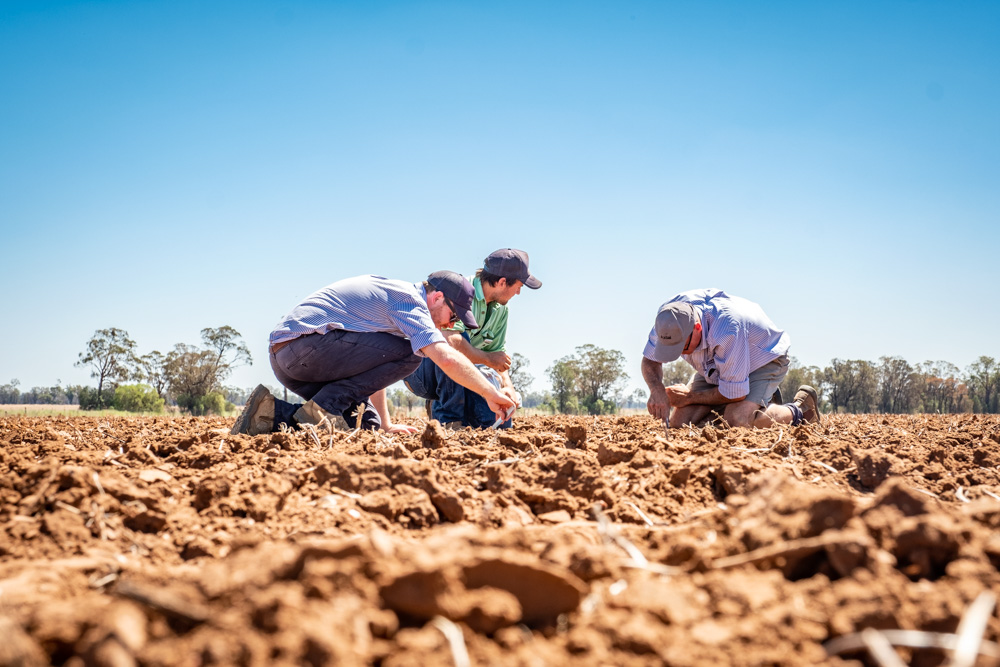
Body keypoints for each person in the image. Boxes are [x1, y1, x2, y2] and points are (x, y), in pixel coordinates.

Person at [231, 271, 516, 436]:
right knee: (413, 354)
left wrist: (386, 424)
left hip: (297, 359)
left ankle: (269, 412)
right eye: (453, 316)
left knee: (364, 425)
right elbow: (447, 357)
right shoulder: (408, 301)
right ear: (437, 297)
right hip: (301, 348)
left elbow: (375, 367)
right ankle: (321, 410)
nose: (450, 325)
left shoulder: (399, 305)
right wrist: (491, 394)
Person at [640, 288, 821, 430]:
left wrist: (690, 397)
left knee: (737, 420)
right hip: (717, 364)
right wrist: (657, 389)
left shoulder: (727, 330)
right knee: (681, 424)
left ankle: (801, 410)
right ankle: (757, 402)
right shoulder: (669, 318)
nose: (680, 354)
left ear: (697, 327)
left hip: (762, 357)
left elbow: (735, 394)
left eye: (683, 347)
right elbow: (649, 360)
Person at [403, 248, 541, 429]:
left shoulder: (502, 310)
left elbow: (497, 357)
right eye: (519, 286)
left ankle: (457, 409)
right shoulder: (460, 291)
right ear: (502, 282)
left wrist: (509, 388)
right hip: (419, 371)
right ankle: (448, 418)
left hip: (464, 373)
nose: (518, 293)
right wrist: (488, 359)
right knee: (455, 343)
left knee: (496, 425)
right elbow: (451, 343)